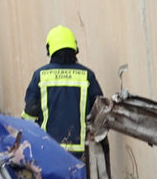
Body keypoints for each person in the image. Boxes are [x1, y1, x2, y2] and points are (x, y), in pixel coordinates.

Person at [24, 25, 106, 153]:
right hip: (82, 152)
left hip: (48, 150)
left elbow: (29, 115)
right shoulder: (87, 75)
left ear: (49, 48)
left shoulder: (40, 76)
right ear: (75, 48)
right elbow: (100, 112)